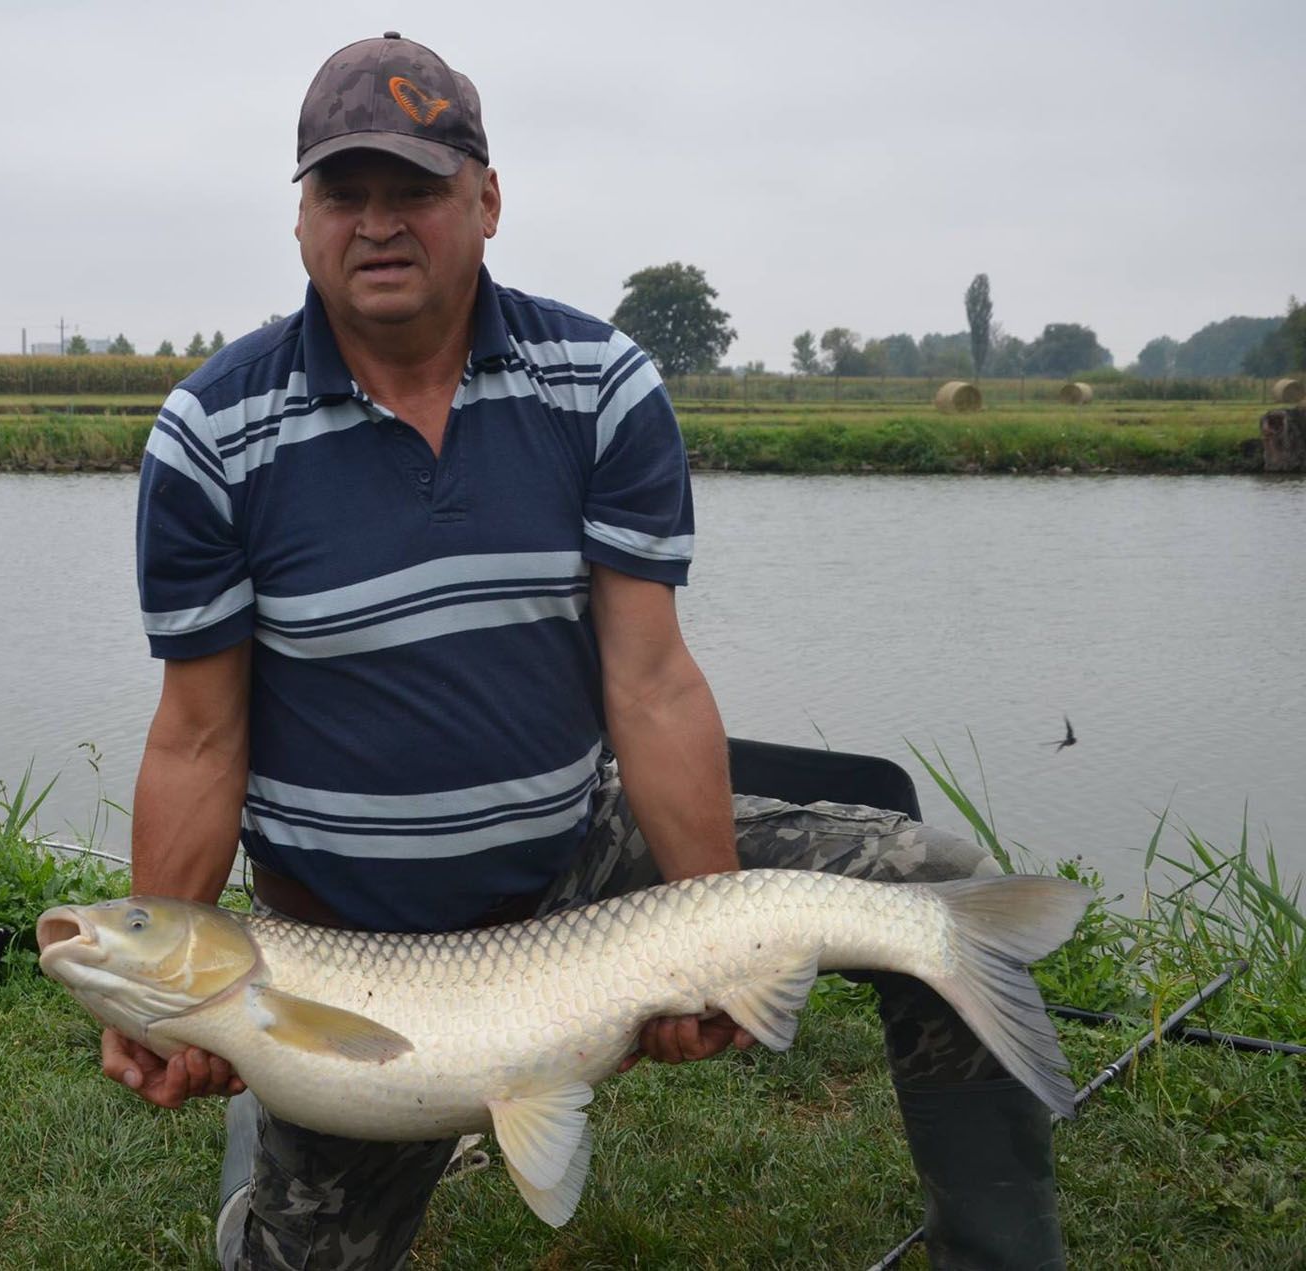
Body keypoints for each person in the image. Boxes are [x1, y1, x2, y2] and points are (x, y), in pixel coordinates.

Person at [110, 32, 1064, 1271]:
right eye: (345, 193)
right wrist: (169, 979)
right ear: (301, 220)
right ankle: (276, 1102)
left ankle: (1001, 1254)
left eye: (417, 190)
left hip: (580, 875)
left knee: (931, 887)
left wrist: (708, 928)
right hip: (348, 947)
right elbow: (198, 734)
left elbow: (652, 680)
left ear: (488, 200)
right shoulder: (211, 434)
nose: (379, 224)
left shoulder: (599, 383)